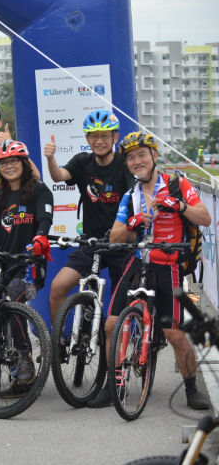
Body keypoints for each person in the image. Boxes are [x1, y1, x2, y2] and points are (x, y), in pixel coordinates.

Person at [88, 132, 212, 410]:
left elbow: (205, 217)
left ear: (154, 156)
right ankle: (114, 385)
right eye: (131, 158)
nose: (137, 161)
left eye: (142, 154)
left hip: (169, 264)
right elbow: (115, 238)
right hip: (139, 262)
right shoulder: (130, 196)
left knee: (175, 335)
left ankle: (191, 389)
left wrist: (178, 205)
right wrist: (131, 224)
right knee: (111, 325)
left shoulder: (176, 184)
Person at [0, 140, 54, 397]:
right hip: (4, 265)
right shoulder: (2, 197)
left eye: (14, 161)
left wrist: (40, 237)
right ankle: (3, 357)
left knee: (13, 299)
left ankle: (25, 360)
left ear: (24, 164)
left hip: (30, 264)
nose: (9, 166)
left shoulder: (39, 190)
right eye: (4, 163)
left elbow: (45, 219)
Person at [44, 110, 135, 325]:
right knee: (57, 287)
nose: (99, 140)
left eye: (105, 135)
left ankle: (112, 338)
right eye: (94, 135)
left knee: (119, 306)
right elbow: (58, 176)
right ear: (87, 138)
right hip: (92, 243)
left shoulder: (124, 164)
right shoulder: (82, 161)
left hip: (121, 245)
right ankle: (58, 342)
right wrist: (50, 158)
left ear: (115, 137)